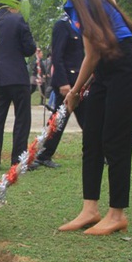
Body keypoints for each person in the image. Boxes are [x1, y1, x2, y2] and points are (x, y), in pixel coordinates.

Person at [35, 0, 132, 236]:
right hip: (105, 69)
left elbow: (92, 54)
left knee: (114, 140)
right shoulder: (77, 0)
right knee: (92, 136)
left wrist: (73, 91)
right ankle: (90, 209)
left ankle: (117, 213)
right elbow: (93, 49)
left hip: (124, 64)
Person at [0, 0, 37, 172]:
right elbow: (30, 49)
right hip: (17, 78)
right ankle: (18, 159)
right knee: (22, 118)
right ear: (14, 5)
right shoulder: (19, 20)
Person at [33, 12, 86, 169]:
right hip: (67, 84)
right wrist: (63, 82)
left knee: (88, 120)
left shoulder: (82, 26)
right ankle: (44, 155)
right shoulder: (62, 25)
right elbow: (57, 56)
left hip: (81, 82)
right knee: (59, 121)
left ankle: (95, 152)